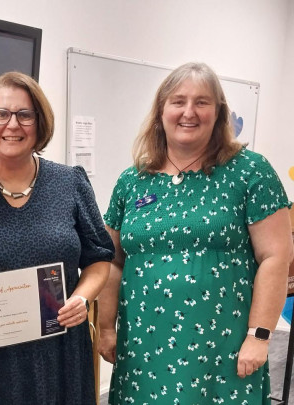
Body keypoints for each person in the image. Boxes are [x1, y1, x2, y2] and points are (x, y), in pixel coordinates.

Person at [97, 62, 293, 404]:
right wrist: (107, 328)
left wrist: (260, 337)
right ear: (161, 111)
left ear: (219, 114)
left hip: (223, 348)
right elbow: (112, 261)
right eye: (178, 101)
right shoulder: (132, 181)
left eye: (202, 102)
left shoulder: (250, 172)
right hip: (143, 347)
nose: (189, 112)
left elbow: (275, 256)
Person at [0, 71, 115, 404]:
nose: (12, 125)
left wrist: (82, 299)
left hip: (60, 351)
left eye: (24, 115)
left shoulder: (69, 182)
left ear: (40, 123)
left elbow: (100, 256)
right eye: (1, 114)